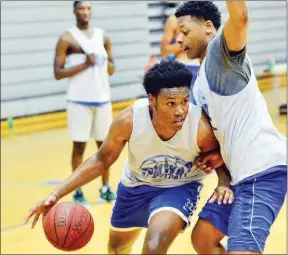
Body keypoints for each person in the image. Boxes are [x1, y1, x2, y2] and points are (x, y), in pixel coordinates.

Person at [25, 60, 234, 254]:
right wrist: (56, 193)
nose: (180, 110)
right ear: (152, 100)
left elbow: (219, 157)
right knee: (116, 250)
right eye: (171, 103)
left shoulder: (199, 126)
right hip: (134, 188)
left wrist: (223, 181)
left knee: (153, 246)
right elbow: (102, 159)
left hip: (178, 188)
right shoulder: (129, 120)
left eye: (185, 101)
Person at [174, 1, 287, 254]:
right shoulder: (199, 81)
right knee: (203, 238)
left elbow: (241, 17)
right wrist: (219, 165)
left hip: (261, 171)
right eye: (176, 34)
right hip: (238, 176)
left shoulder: (219, 53)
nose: (179, 39)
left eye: (184, 31)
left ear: (207, 27)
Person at [53, 1, 116, 206]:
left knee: (105, 147)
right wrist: (85, 64)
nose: (85, 12)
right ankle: (77, 190)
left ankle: (106, 188)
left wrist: (103, 63)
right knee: (79, 146)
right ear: (74, 11)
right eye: (81, 8)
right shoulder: (66, 38)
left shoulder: (102, 36)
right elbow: (58, 73)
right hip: (79, 100)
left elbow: (112, 68)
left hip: (102, 99)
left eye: (88, 8)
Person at [160, 4, 200, 102]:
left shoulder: (206, 18)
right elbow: (164, 50)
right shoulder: (174, 19)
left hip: (202, 68)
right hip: (183, 68)